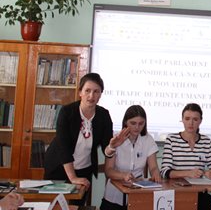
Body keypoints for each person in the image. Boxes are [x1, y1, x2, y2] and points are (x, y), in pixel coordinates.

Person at [44, 73, 126, 204]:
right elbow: (63, 148)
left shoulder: (104, 115)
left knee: (78, 205)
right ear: (80, 92)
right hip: (59, 167)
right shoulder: (67, 112)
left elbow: (106, 149)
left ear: (100, 94)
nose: (91, 96)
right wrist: (73, 178)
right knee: (56, 205)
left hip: (84, 169)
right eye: (87, 90)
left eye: (96, 91)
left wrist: (112, 146)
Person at [160, 103, 211, 210]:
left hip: (199, 192)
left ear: (200, 121)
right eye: (187, 119)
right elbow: (164, 172)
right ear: (182, 120)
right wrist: (188, 173)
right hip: (177, 192)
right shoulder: (172, 139)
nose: (191, 123)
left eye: (195, 119)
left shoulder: (206, 141)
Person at [101, 105, 161, 210]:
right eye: (133, 123)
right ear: (126, 122)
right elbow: (108, 171)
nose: (137, 127)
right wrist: (123, 175)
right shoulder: (116, 138)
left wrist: (156, 173)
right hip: (114, 197)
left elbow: (153, 167)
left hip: (138, 194)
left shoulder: (148, 139)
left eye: (141, 123)